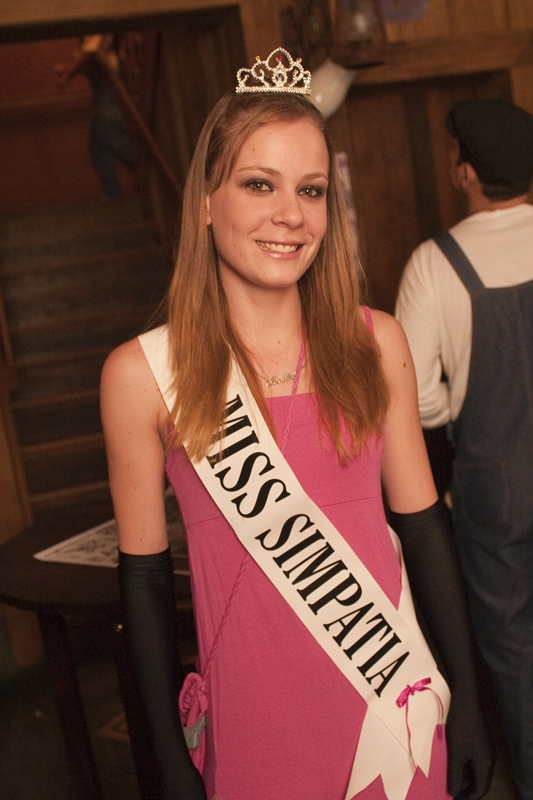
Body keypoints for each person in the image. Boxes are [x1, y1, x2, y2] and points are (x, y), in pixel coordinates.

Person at [101, 49, 493, 800]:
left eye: (310, 189)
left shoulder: (375, 342)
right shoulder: (141, 376)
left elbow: (421, 529)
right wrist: (166, 762)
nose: (291, 214)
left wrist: (469, 697)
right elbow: (144, 583)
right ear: (205, 202)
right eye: (259, 184)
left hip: (392, 708)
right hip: (256, 724)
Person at [395, 97, 533, 800]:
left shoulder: (434, 264)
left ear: (467, 172)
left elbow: (415, 396)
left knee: (512, 650)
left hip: (495, 487)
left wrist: (460, 411)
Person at [55, 35, 135, 200]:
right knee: (101, 152)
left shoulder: (103, 52)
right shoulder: (103, 54)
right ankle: (111, 192)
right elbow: (86, 59)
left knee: (123, 152)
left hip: (110, 115)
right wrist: (68, 72)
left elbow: (89, 54)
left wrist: (68, 74)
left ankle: (112, 192)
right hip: (107, 114)